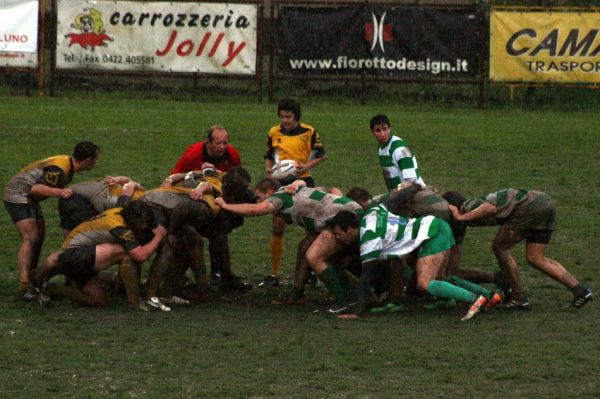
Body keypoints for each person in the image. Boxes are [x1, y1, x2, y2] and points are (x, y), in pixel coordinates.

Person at [215, 178, 362, 313]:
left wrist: (225, 205)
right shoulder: (292, 189)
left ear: (270, 192)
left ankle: (342, 302)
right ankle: (297, 294)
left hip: (343, 218)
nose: (258, 201)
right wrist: (298, 182)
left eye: (259, 196)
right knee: (304, 247)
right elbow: (314, 186)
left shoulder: (279, 197)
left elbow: (256, 210)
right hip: (344, 212)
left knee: (314, 256)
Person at [329, 209, 501, 321]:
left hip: (432, 233)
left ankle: (472, 299)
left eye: (338, 234)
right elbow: (394, 200)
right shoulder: (371, 215)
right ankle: (489, 296)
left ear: (350, 229)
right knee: (442, 279)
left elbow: (366, 277)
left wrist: (357, 312)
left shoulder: (369, 240)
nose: (338, 238)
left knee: (424, 283)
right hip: (438, 226)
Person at [446, 188, 593, 309]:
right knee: (536, 258)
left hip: (529, 207)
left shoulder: (467, 207)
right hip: (544, 203)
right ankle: (580, 290)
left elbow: (490, 208)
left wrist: (461, 217)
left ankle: (519, 297)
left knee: (500, 247)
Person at [3, 141, 100, 296]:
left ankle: (33, 275)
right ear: (88, 160)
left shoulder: (66, 164)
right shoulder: (60, 169)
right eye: (95, 159)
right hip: (18, 195)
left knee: (40, 237)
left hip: (28, 197)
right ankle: (24, 284)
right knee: (31, 237)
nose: (96, 162)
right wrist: (59, 192)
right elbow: (36, 189)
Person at [28, 201, 166, 308]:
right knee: (127, 253)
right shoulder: (121, 228)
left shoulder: (120, 211)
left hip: (79, 256)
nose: (145, 227)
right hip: (73, 255)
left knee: (98, 300)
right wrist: (158, 237)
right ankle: (134, 301)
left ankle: (53, 289)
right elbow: (141, 256)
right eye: (143, 223)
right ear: (134, 220)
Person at [262, 99, 327, 288]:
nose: (285, 120)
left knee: (309, 227)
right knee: (278, 223)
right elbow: (268, 154)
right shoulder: (274, 132)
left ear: (296, 116)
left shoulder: (309, 132)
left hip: (304, 180)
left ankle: (311, 270)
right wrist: (269, 171)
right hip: (281, 182)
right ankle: (274, 274)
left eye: (288, 117)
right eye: (282, 116)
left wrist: (306, 166)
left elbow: (322, 155)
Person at [58, 176, 144, 237]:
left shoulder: (138, 199)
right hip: (90, 194)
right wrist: (117, 179)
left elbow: (129, 183)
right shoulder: (139, 197)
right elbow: (128, 181)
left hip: (94, 194)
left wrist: (129, 184)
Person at [370, 114, 425, 191]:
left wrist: (396, 193)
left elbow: (411, 179)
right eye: (378, 130)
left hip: (414, 192)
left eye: (385, 129)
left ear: (390, 129)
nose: (382, 134)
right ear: (373, 132)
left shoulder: (399, 148)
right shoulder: (381, 148)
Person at [171, 125, 241, 174]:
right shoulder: (193, 154)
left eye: (225, 143)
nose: (222, 147)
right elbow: (173, 177)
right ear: (208, 142)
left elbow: (240, 178)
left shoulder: (232, 154)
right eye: (218, 143)